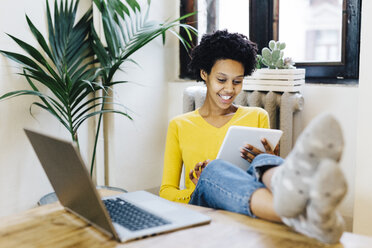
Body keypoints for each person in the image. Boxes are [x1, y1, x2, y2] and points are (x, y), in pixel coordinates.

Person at [159, 30, 347, 244]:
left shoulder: (257, 116)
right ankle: (303, 213)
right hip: (201, 204)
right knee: (214, 168)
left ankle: (292, 193)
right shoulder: (180, 124)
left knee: (261, 159)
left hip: (244, 202)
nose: (229, 89)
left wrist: (269, 158)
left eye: (237, 81)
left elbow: (252, 180)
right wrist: (198, 185)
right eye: (222, 79)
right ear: (204, 74)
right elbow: (166, 192)